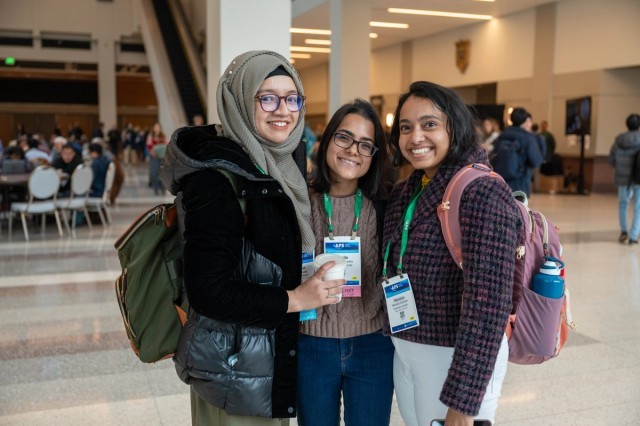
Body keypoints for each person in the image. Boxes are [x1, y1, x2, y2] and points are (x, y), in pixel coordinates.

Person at [159, 50, 345, 425]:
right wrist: (295, 299)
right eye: (267, 98)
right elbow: (210, 291)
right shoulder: (215, 180)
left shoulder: (278, 166)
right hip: (234, 377)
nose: (284, 110)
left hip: (261, 366)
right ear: (240, 101)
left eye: (293, 98)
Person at [383, 81, 520, 425]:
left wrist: (463, 404)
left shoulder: (484, 193)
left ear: (455, 128)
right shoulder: (408, 189)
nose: (416, 137)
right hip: (409, 350)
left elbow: (488, 307)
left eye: (429, 124)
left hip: (455, 361)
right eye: (405, 127)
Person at [298, 99, 394, 426]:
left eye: (365, 145)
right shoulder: (299, 201)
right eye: (344, 138)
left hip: (373, 345)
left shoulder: (386, 205)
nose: (353, 150)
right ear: (326, 141)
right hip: (311, 343)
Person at [491, 107, 543, 196]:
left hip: (501, 181)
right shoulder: (528, 138)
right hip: (521, 183)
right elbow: (536, 162)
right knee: (519, 208)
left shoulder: (502, 135)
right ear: (525, 121)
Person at [609, 113, 640, 245]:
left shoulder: (619, 139)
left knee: (623, 204)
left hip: (622, 177)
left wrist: (621, 167)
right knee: (638, 206)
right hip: (638, 178)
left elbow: (611, 159)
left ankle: (623, 232)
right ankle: (633, 236)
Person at [146, 122, 167, 194]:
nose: (157, 128)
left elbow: (166, 145)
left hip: (162, 157)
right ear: (154, 128)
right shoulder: (150, 136)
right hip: (154, 157)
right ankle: (156, 188)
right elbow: (149, 146)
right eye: (155, 127)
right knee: (154, 173)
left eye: (158, 127)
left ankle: (162, 188)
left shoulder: (163, 136)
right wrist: (153, 153)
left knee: (162, 173)